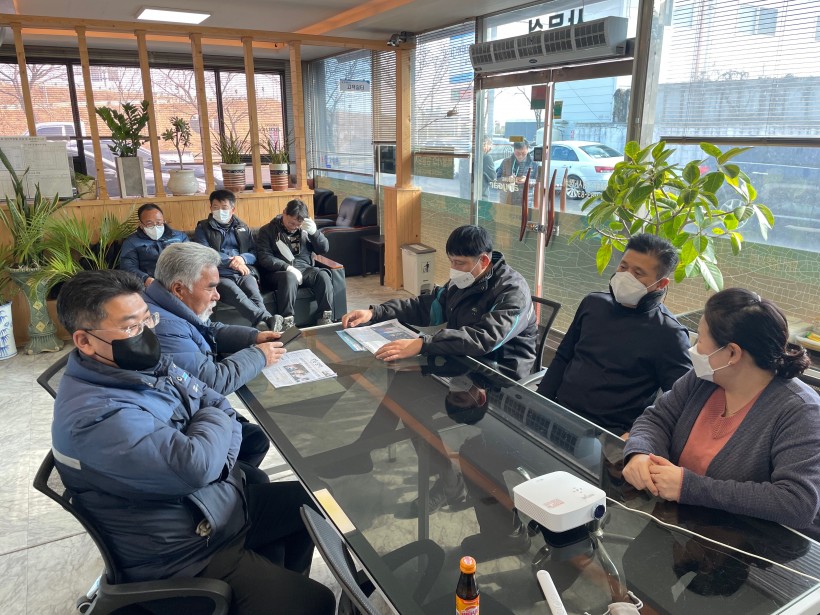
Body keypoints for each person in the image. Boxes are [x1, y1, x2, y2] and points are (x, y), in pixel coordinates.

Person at [52, 270, 335, 614]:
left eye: (148, 319)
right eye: (130, 327)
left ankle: (281, 584)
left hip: (213, 509)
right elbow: (198, 464)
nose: (147, 333)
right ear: (84, 341)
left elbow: (213, 399)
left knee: (310, 505)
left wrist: (216, 453)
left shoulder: (137, 364)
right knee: (318, 602)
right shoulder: (98, 417)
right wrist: (214, 441)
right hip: (186, 552)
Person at [623, 288, 820, 539]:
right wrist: (640, 453)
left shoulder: (800, 411)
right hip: (676, 522)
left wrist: (689, 487)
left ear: (732, 353)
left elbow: (797, 503)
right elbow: (656, 418)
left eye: (701, 340)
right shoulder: (703, 379)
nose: (695, 348)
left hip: (745, 546)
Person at [145, 242, 287, 483]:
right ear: (179, 289)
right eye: (211, 287)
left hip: (189, 407)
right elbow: (213, 382)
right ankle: (226, 486)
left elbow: (209, 329)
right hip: (181, 424)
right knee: (256, 457)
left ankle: (232, 479)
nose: (218, 296)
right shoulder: (164, 326)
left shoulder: (169, 306)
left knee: (255, 439)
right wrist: (259, 355)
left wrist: (254, 337)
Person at [537, 233, 692, 436]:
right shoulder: (593, 303)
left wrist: (636, 436)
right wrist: (538, 403)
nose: (626, 276)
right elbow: (563, 357)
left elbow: (679, 403)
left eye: (638, 273)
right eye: (623, 267)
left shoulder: (669, 334)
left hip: (609, 435)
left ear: (660, 284)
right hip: (559, 413)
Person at [341, 225, 537, 380]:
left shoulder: (513, 291)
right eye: (451, 261)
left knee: (411, 379)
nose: (454, 269)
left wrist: (423, 344)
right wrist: (376, 312)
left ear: (484, 261)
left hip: (499, 374)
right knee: (401, 376)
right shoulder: (464, 280)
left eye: (459, 263)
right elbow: (425, 306)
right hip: (462, 360)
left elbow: (484, 338)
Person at [194, 189, 277, 331]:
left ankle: (264, 323)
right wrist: (231, 262)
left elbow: (254, 252)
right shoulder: (202, 228)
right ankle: (267, 320)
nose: (220, 211)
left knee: (254, 293)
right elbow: (205, 252)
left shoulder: (242, 227)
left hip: (243, 271)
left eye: (224, 207)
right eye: (216, 207)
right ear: (210, 208)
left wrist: (242, 258)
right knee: (237, 294)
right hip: (218, 274)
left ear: (232, 210)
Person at [256, 199, 334, 330]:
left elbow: (324, 249)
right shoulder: (267, 230)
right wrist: (287, 267)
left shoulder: (305, 230)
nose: (293, 227)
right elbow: (264, 257)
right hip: (278, 273)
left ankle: (324, 317)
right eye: (291, 223)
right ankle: (287, 321)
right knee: (289, 277)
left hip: (304, 269)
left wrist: (315, 233)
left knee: (323, 275)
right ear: (284, 213)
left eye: (298, 224)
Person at [119, 203, 188, 286]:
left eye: (159, 223)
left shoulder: (179, 237)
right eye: (149, 224)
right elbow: (127, 267)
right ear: (141, 225)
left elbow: (191, 258)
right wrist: (145, 279)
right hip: (150, 284)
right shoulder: (132, 242)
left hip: (182, 281)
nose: (155, 227)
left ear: (164, 221)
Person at [495, 140, 539, 206]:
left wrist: (527, 180)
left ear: (527, 150)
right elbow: (497, 179)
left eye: (523, 153)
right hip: (508, 200)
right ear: (514, 150)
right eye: (518, 153)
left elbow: (538, 182)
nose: (520, 156)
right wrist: (507, 179)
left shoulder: (534, 164)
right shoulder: (506, 162)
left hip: (526, 201)